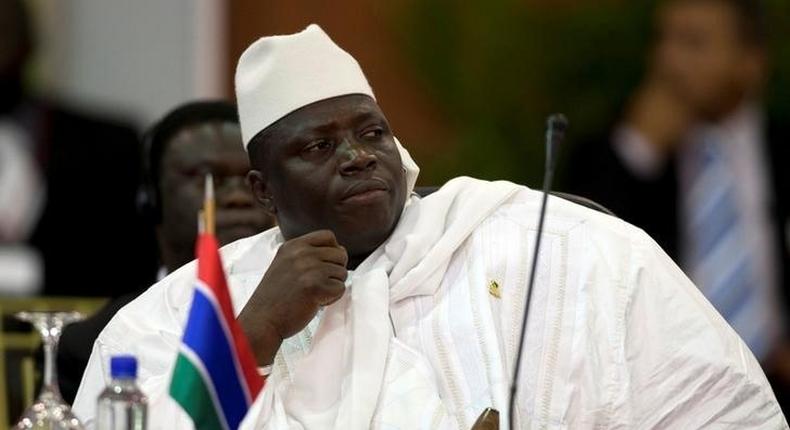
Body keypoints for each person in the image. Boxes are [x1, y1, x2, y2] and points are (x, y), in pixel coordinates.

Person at [73, 24, 786, 429]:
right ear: (263, 189)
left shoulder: (548, 244)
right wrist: (251, 333)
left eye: (371, 133)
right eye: (319, 147)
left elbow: (716, 409)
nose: (357, 158)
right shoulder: (179, 314)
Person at [565, 0, 790, 406]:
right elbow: (576, 256)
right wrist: (638, 149)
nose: (668, 61)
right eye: (663, 39)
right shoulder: (616, 153)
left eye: (693, 42)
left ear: (751, 62)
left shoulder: (781, 150)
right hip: (663, 395)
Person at [56, 101, 276, 404]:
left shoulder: (318, 314)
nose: (239, 197)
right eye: (209, 177)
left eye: (251, 180)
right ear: (151, 198)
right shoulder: (93, 340)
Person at [0, 0, 156, 297]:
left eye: (2, 31)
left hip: (76, 332)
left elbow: (130, 261)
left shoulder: (110, 144)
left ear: (29, 42)